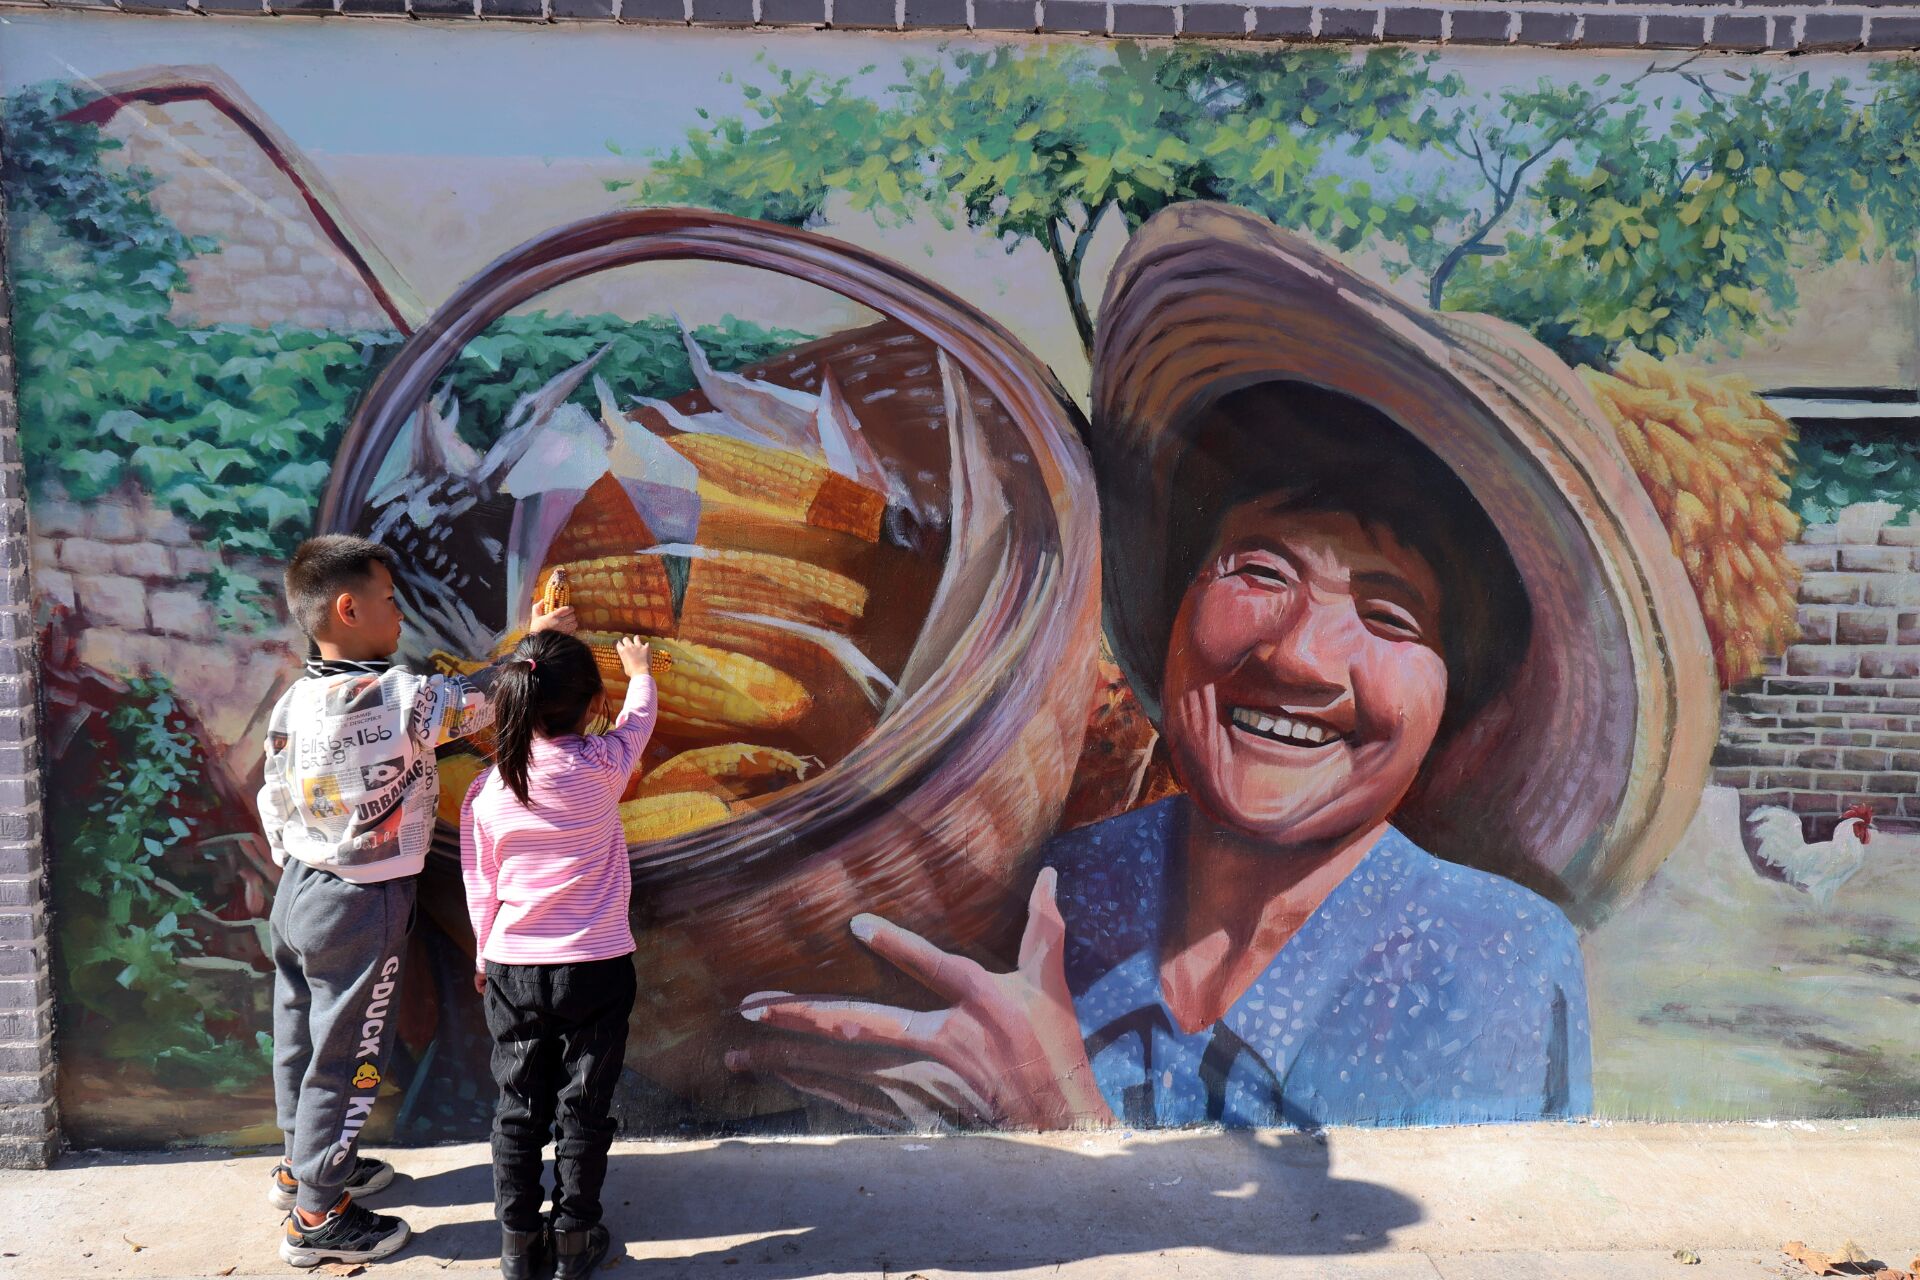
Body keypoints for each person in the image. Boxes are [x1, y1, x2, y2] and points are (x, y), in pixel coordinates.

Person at [721, 202, 1713, 1131]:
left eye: (1388, 613)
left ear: (1454, 696)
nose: (1297, 654)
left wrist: (1063, 1130)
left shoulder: (1489, 954)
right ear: (1179, 594)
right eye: (1259, 568)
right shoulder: (1063, 887)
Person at [259, 534, 575, 1268]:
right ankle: (319, 1214)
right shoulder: (397, 699)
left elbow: (271, 794)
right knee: (352, 1052)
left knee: (301, 1035)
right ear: (349, 608)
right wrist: (539, 643)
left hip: (300, 891)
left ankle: (300, 1164)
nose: (401, 615)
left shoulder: (294, 700)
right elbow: (484, 698)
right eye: (392, 601)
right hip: (359, 902)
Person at [461, 630, 658, 1280]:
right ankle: (575, 1237)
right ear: (590, 702)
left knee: (517, 1107)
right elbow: (639, 722)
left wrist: (486, 955)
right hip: (597, 969)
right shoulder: (603, 769)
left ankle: (519, 1248)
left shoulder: (486, 794)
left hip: (515, 971)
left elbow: (480, 886)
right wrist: (640, 670)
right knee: (583, 1106)